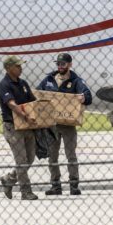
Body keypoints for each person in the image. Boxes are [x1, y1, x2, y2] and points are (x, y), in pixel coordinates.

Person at [36, 53, 92, 196]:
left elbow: (88, 95)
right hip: (52, 124)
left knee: (71, 155)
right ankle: (56, 186)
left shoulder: (76, 81)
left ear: (70, 64)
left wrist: (83, 97)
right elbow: (37, 93)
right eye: (58, 64)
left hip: (68, 124)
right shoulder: (49, 80)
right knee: (52, 156)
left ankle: (74, 185)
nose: (60, 66)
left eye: (63, 64)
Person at [0, 55, 39, 201]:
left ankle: (8, 179)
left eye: (21, 65)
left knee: (30, 158)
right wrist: (25, 116)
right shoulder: (4, 85)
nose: (21, 68)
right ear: (8, 68)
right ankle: (26, 191)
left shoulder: (23, 83)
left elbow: (33, 102)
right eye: (17, 66)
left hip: (27, 126)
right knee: (21, 160)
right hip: (13, 127)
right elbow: (12, 104)